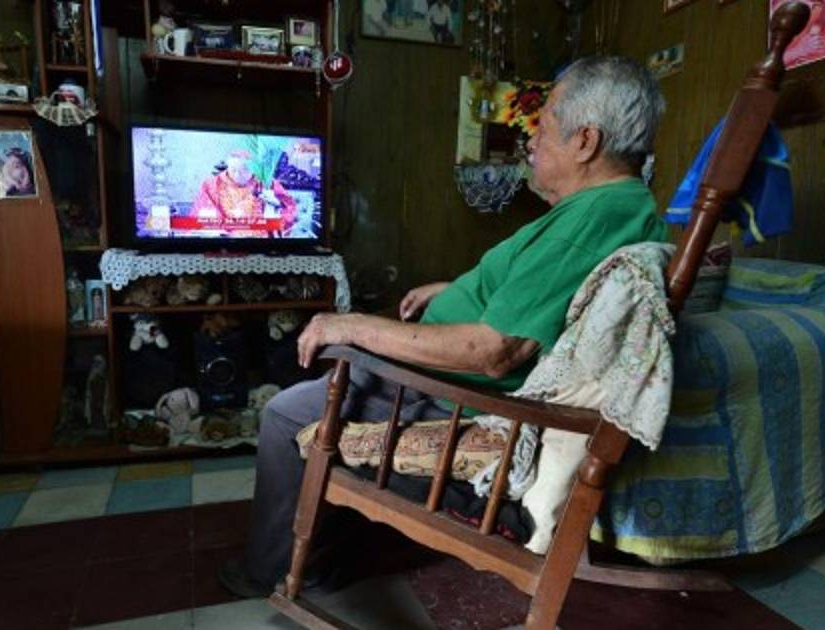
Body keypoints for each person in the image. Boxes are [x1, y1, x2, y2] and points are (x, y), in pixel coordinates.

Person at [217, 56, 669, 598]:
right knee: (331, 366)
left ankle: (274, 570)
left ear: (586, 141)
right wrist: (457, 290)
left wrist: (353, 325)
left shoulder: (590, 220)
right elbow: (539, 291)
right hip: (448, 380)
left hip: (453, 394)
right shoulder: (620, 206)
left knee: (284, 414)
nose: (531, 140)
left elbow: (492, 351)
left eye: (544, 126)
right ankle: (321, 535)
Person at [191, 150, 297, 236]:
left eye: (244, 170)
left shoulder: (267, 182)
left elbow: (289, 207)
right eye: (233, 170)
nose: (237, 175)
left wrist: (275, 204)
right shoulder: (211, 184)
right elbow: (203, 215)